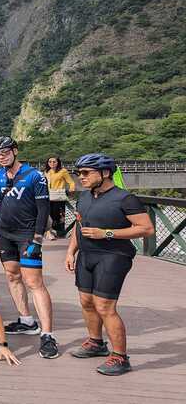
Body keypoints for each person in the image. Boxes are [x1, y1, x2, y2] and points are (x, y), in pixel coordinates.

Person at [65, 153, 153, 376]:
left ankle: (120, 357)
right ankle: (96, 343)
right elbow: (79, 226)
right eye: (78, 173)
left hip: (113, 255)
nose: (80, 177)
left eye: (86, 172)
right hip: (86, 255)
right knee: (86, 301)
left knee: (104, 306)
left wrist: (107, 233)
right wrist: (70, 251)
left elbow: (146, 229)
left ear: (105, 173)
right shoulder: (84, 197)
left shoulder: (125, 199)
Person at [0, 136, 58, 359]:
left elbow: (43, 210)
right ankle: (27, 321)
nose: (1, 157)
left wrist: (38, 239)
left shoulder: (35, 176)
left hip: (27, 235)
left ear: (15, 150)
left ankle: (47, 335)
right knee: (12, 276)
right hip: (5, 235)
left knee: (34, 282)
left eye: (5, 152)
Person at [44, 156, 75, 240]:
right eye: (50, 161)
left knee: (59, 215)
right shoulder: (47, 172)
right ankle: (50, 233)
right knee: (49, 215)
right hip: (49, 196)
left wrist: (72, 189)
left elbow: (71, 182)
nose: (52, 163)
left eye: (54, 161)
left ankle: (60, 234)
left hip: (59, 196)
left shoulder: (63, 171)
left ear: (58, 163)